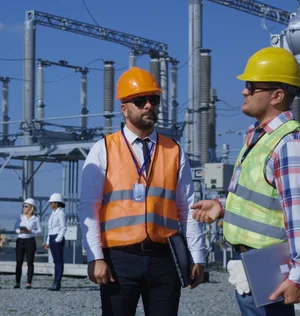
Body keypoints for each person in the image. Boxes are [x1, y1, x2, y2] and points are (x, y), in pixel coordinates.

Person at [191, 47, 300, 316]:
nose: (244, 91)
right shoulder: (260, 137)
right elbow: (261, 196)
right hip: (252, 264)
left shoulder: (290, 143)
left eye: (251, 86)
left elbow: (298, 214)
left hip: (271, 268)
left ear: (277, 95)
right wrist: (221, 205)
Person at [78, 66, 206, 315]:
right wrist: (95, 257)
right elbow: (88, 207)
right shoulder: (104, 149)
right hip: (118, 260)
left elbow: (187, 208)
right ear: (124, 108)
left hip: (164, 259)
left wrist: (197, 255)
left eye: (153, 99)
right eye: (140, 100)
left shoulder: (174, 151)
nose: (149, 105)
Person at [14, 197, 40, 289]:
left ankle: (29, 282)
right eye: (24, 206)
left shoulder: (35, 219)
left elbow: (39, 230)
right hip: (21, 240)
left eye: (26, 206)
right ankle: (17, 282)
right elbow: (15, 228)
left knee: (30, 262)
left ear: (31, 208)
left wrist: (31, 231)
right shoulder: (20, 217)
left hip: (30, 241)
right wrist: (19, 231)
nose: (24, 208)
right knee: (19, 262)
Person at [43, 193, 67, 291]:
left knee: (58, 261)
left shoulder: (61, 213)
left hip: (57, 238)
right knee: (55, 261)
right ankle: (55, 282)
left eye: (51, 202)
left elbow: (63, 227)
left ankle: (57, 282)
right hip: (52, 237)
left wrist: (58, 239)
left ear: (56, 203)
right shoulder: (53, 214)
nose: (50, 204)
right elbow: (50, 229)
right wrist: (48, 241)